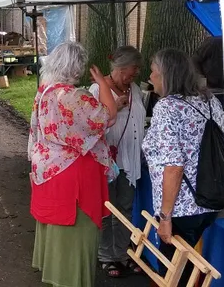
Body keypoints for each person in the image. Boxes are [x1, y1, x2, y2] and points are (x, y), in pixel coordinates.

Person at [142, 48, 224, 283]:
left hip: (181, 208)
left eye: (153, 71)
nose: (150, 76)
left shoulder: (167, 107)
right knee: (186, 270)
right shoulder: (209, 100)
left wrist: (165, 217)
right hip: (209, 200)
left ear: (166, 75)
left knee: (172, 275)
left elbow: (174, 166)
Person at [28, 42, 116, 287]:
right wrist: (102, 83)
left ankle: (55, 274)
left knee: (55, 229)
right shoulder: (75, 97)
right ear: (78, 68)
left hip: (48, 169)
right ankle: (72, 279)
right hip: (73, 172)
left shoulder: (45, 91)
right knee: (77, 232)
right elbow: (108, 115)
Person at [89, 47, 145, 278]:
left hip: (130, 159)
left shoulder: (135, 89)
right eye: (134, 68)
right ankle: (105, 255)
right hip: (107, 160)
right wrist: (115, 108)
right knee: (106, 209)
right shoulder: (97, 89)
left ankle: (122, 253)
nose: (136, 72)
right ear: (121, 68)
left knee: (125, 208)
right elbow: (90, 126)